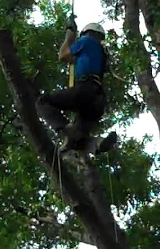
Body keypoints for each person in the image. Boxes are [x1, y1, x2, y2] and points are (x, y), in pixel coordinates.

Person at [37, 18, 116, 153]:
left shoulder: (86, 41)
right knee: (78, 139)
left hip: (85, 90)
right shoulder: (102, 52)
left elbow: (63, 56)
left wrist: (69, 37)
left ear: (86, 33)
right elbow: (72, 60)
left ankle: (65, 129)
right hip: (98, 99)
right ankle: (96, 143)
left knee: (42, 102)